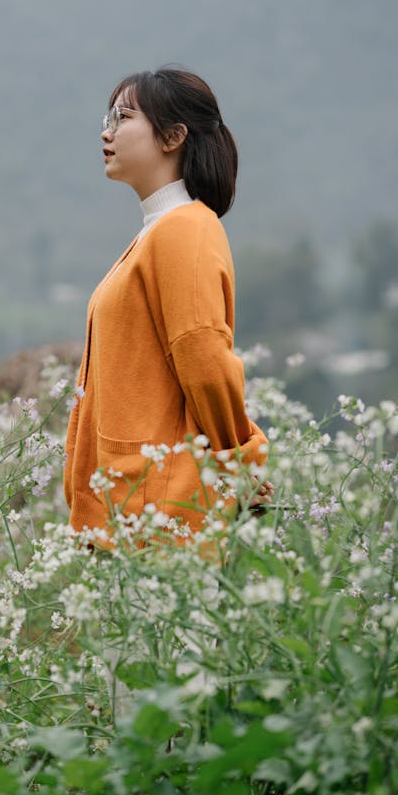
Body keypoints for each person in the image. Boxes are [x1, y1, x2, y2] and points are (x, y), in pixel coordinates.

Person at [63, 66, 272, 544]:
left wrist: (241, 462)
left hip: (159, 510)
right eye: (107, 118)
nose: (106, 131)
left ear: (173, 136)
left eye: (123, 117)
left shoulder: (185, 229)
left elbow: (204, 359)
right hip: (132, 505)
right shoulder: (156, 231)